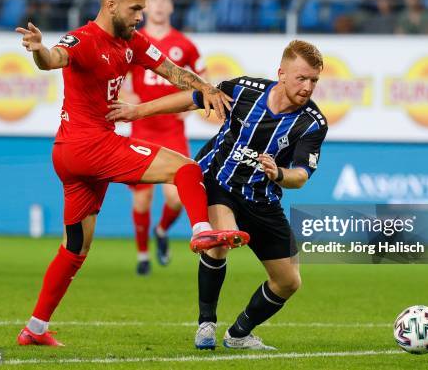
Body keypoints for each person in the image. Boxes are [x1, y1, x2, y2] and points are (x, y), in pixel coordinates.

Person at [14, 0, 245, 347]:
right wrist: (39, 48)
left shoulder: (132, 41)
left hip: (72, 154)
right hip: (90, 146)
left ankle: (35, 328)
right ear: (111, 4)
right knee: (186, 169)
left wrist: (205, 87)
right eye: (135, 8)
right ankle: (202, 232)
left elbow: (171, 71)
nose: (141, 15)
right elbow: (54, 59)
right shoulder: (83, 39)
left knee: (75, 248)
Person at [107, 39, 328, 350]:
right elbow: (191, 100)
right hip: (217, 181)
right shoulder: (245, 90)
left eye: (314, 80)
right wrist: (137, 111)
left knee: (289, 282)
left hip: (262, 199)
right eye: (301, 78)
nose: (308, 87)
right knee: (222, 239)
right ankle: (206, 324)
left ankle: (239, 334)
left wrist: (278, 174)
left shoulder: (312, 123)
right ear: (281, 73)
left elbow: (301, 176)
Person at [122, 0, 206, 275]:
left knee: (176, 197)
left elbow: (202, 79)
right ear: (145, 7)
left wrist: (194, 105)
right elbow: (117, 79)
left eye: (164, 0)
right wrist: (124, 95)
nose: (158, 5)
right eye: (153, 0)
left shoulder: (184, 44)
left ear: (171, 6)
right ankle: (143, 256)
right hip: (142, 127)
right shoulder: (132, 40)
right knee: (142, 199)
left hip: (172, 131)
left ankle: (161, 230)